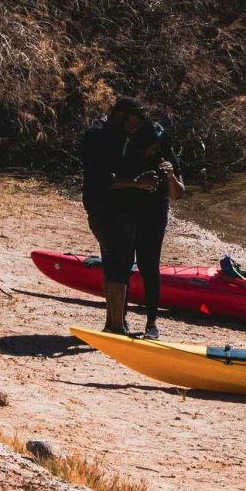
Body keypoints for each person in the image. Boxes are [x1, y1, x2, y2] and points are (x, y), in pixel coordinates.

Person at [81, 97, 155, 334]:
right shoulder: (98, 135)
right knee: (119, 265)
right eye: (132, 125)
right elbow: (101, 180)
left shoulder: (118, 132)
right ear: (121, 114)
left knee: (114, 263)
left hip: (119, 209)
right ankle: (115, 327)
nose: (133, 131)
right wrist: (137, 183)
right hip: (105, 209)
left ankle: (113, 323)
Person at [122, 119, 185, 338]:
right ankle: (120, 318)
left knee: (149, 267)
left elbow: (178, 194)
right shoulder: (128, 151)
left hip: (155, 216)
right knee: (124, 265)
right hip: (128, 213)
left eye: (156, 147)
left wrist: (169, 177)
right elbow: (113, 182)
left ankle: (151, 323)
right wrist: (137, 182)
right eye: (149, 147)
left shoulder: (167, 154)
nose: (152, 151)